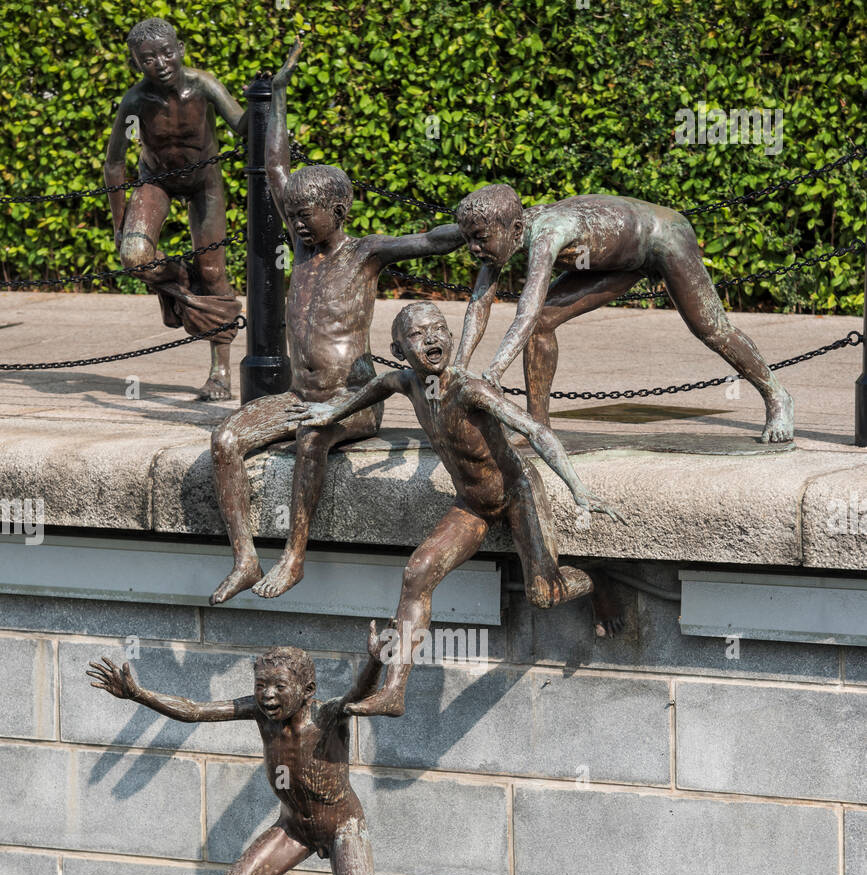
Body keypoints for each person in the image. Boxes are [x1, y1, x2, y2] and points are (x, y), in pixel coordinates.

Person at [208, 46, 464, 606]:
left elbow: (432, 240)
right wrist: (275, 97)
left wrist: (477, 223)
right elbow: (275, 169)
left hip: (353, 400)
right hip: (301, 394)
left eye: (307, 215)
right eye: (293, 215)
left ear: (339, 209)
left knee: (312, 437)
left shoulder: (365, 254)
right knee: (225, 439)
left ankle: (294, 558)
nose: (296, 222)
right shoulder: (302, 250)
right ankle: (246, 558)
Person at [286, 300, 624, 716]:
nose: (431, 338)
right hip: (472, 505)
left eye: (439, 329)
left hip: (518, 495)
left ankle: (597, 580)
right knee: (417, 573)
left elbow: (534, 431)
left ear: (450, 337)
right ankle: (394, 690)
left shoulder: (469, 389)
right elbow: (372, 390)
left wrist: (577, 488)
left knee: (543, 593)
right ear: (398, 351)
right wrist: (330, 412)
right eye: (417, 334)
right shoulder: (406, 383)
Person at [86, 624, 422, 875]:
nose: (267, 695)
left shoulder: (326, 718)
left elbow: (357, 695)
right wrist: (140, 695)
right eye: (262, 685)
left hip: (341, 826)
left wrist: (374, 664)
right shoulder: (260, 714)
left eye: (279, 686)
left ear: (307, 692)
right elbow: (195, 711)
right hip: (294, 827)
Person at [453, 183, 794, 442]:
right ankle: (539, 426)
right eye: (469, 240)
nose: (473, 248)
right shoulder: (502, 233)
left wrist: (495, 369)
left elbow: (524, 312)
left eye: (480, 239)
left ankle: (777, 397)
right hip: (614, 257)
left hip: (662, 238)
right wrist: (459, 366)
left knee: (712, 328)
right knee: (545, 322)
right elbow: (480, 300)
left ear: (513, 230)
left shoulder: (547, 234)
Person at [104, 17, 247, 400]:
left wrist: (269, 96)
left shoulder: (205, 86)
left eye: (167, 52)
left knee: (214, 271)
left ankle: (220, 373)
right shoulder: (136, 100)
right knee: (134, 255)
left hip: (204, 182)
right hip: (157, 181)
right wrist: (120, 225)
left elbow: (243, 126)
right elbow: (114, 163)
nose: (161, 63)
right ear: (136, 64)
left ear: (180, 49)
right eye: (148, 59)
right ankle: (184, 281)